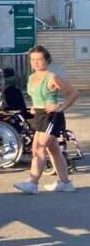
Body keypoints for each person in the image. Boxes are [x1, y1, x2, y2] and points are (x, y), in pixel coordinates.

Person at [13, 45, 78, 194]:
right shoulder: (31, 77)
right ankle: (65, 183)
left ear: (47, 60)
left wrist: (61, 107)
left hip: (52, 117)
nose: (35, 63)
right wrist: (35, 107)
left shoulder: (52, 77)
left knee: (38, 148)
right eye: (32, 60)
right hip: (40, 116)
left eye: (39, 59)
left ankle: (33, 183)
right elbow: (38, 97)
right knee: (53, 149)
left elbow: (73, 93)